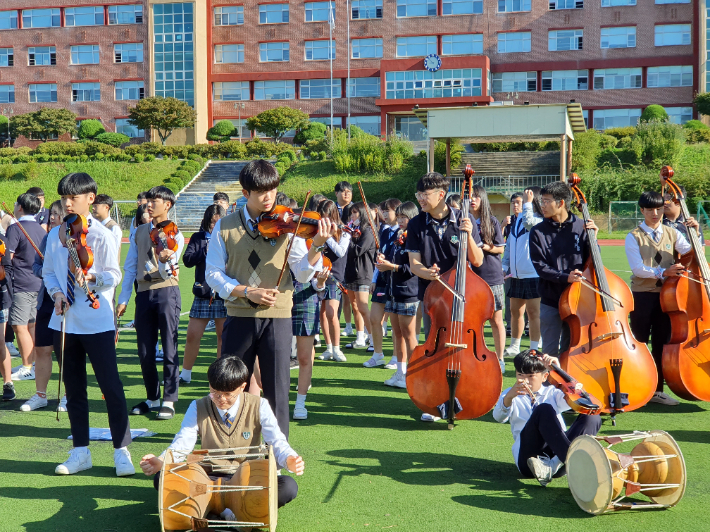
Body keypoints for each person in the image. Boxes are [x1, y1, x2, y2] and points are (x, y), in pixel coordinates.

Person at [205, 159, 332, 438]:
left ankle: (277, 455)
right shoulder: (225, 227)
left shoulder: (289, 226)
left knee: (278, 391)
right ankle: (231, 449)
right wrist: (247, 291)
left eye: (273, 190)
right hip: (239, 317)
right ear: (245, 192)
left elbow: (301, 274)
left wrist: (317, 247)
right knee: (231, 388)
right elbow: (212, 274)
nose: (268, 197)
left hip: (278, 318)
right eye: (261, 191)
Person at [43, 172, 134, 477]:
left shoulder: (102, 235)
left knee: (111, 387)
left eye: (74, 197)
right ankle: (81, 451)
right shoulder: (54, 235)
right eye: (64, 198)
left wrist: (92, 277)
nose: (67, 203)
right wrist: (57, 293)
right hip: (65, 322)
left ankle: (121, 451)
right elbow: (49, 273)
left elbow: (114, 274)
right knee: (74, 389)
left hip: (97, 322)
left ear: (90, 199)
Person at [139, 356, 302, 511]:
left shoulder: (259, 405)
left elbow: (276, 441)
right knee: (161, 478)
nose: (220, 399)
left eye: (227, 394)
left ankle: (212, 508)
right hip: (208, 479)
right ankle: (238, 510)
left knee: (288, 486)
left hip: (247, 480)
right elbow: (182, 443)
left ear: (242, 387)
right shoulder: (197, 406)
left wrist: (289, 459)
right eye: (214, 392)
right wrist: (162, 460)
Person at [406, 172, 484, 421]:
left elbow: (478, 260)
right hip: (433, 298)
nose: (420, 199)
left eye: (425, 195)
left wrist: (469, 235)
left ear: (441, 195)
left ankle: (466, 391)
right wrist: (426, 273)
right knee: (436, 349)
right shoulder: (416, 223)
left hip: (463, 297)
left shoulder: (463, 217)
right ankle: (435, 398)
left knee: (465, 348)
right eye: (418, 195)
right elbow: (413, 264)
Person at [117, 186, 185, 421]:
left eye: (155, 200)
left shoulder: (176, 234)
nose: (149, 204)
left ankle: (169, 399)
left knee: (169, 348)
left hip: (167, 291)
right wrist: (124, 298)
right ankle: (152, 397)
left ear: (167, 205)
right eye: (149, 200)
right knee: (145, 351)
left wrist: (166, 259)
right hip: (143, 293)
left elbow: (170, 271)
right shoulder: (139, 232)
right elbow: (130, 266)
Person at [492, 349, 601, 487]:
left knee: (592, 416)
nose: (524, 381)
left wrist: (559, 371)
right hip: (529, 461)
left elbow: (579, 399)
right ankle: (578, 465)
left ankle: (555, 465)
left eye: (531, 376)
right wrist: (509, 398)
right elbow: (498, 417)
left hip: (559, 459)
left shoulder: (553, 392)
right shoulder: (510, 393)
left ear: (544, 377)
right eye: (520, 375)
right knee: (543, 409)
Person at [625, 191, 693, 406]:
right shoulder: (633, 236)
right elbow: (637, 269)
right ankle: (636, 388)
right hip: (643, 296)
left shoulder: (671, 232)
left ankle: (657, 390)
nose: (655, 213)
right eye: (650, 209)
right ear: (642, 210)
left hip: (669, 298)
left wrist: (695, 233)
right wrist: (663, 273)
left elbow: (691, 253)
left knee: (663, 344)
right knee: (640, 342)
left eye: (659, 209)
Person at [528, 182, 597, 358]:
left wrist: (593, 240)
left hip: (578, 301)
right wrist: (565, 277)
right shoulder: (537, 231)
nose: (542, 205)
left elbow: (593, 263)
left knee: (571, 351)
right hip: (550, 300)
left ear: (561, 203)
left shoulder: (582, 227)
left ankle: (569, 386)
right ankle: (549, 384)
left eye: (546, 201)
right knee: (549, 353)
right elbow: (540, 267)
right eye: (541, 201)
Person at [19, 200, 66, 411]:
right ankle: (41, 394)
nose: (52, 217)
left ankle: (68, 395)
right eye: (52, 214)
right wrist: (47, 270)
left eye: (57, 214)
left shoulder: (74, 239)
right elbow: (37, 267)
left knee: (64, 350)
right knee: (42, 349)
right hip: (46, 301)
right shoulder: (48, 238)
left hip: (66, 302)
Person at [372, 201, 420, 388]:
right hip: (393, 290)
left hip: (408, 292)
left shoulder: (415, 238)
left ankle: (413, 374)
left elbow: (413, 268)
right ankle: (400, 372)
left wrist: (391, 266)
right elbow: (393, 260)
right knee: (397, 334)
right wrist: (384, 260)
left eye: (403, 217)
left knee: (409, 335)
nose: (399, 220)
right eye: (398, 217)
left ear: (412, 218)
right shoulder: (397, 235)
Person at [180, 204, 228, 384]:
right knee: (192, 334)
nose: (214, 226)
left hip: (223, 293)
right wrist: (203, 252)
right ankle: (185, 374)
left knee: (222, 337)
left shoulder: (227, 237)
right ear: (206, 221)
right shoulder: (198, 237)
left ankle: (220, 375)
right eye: (212, 222)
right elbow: (187, 260)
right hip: (202, 292)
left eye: (218, 222)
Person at [7, 193, 45, 382]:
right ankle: (31, 362)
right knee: (31, 325)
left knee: (18, 325)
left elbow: (8, 257)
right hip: (38, 283)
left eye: (15, 204)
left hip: (22, 283)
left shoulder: (16, 228)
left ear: (20, 207)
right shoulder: (41, 228)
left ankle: (27, 366)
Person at [502, 188, 543, 357]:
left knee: (533, 313)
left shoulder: (538, 219)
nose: (516, 205)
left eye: (522, 201)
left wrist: (528, 204)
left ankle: (534, 347)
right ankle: (514, 346)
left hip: (533, 274)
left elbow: (529, 223)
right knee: (515, 311)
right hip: (517, 275)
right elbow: (510, 245)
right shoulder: (516, 220)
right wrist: (504, 266)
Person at [470, 185, 507, 373]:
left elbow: (501, 248)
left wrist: (483, 247)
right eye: (470, 196)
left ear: (482, 199)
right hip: (470, 279)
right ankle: (477, 356)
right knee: (474, 322)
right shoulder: (463, 221)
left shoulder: (491, 221)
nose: (472, 200)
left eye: (476, 197)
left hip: (491, 276)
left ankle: (500, 358)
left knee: (496, 320)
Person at [365, 198, 401, 367]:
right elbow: (379, 256)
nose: (384, 214)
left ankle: (396, 357)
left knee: (395, 323)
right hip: (380, 280)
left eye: (388, 211)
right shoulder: (384, 231)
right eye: (384, 211)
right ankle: (377, 353)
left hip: (394, 279)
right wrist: (374, 279)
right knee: (374, 318)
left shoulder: (402, 232)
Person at [292, 267, 330, 419]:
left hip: (306, 298)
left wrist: (320, 282)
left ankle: (300, 404)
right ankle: (274, 401)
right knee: (273, 356)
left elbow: (317, 285)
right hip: (277, 298)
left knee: (304, 357)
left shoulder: (313, 247)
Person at [316, 199, 351, 363]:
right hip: (319, 275)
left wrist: (326, 237)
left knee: (331, 312)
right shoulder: (317, 229)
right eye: (321, 217)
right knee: (321, 313)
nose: (324, 221)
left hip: (335, 276)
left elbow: (340, 252)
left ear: (333, 215)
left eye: (327, 217)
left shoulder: (344, 232)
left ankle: (337, 348)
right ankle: (328, 347)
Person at [344, 202, 377, 351]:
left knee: (363, 307)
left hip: (363, 273)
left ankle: (373, 339)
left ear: (363, 214)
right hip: (351, 272)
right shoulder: (354, 229)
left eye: (355, 213)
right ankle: (360, 337)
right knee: (355, 307)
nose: (352, 216)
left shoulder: (369, 231)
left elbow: (358, 250)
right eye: (351, 213)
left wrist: (346, 238)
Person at [334, 181, 355, 336]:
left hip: (353, 257)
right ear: (336, 193)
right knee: (337, 292)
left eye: (349, 191)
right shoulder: (331, 209)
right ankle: (336, 322)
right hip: (335, 257)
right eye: (343, 191)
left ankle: (357, 328)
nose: (346, 194)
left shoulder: (356, 210)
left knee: (354, 296)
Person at [502, 192, 524, 334]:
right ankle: (510, 325)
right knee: (510, 295)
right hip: (511, 265)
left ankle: (526, 325)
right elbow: (500, 239)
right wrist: (503, 225)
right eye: (513, 203)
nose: (515, 205)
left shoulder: (528, 222)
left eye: (518, 202)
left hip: (524, 265)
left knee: (527, 298)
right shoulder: (510, 221)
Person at [0, 229, 13, 400]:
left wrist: (2, 276)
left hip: (0, 298)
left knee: (0, 341)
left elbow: (9, 269)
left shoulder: (2, 240)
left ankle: (8, 382)